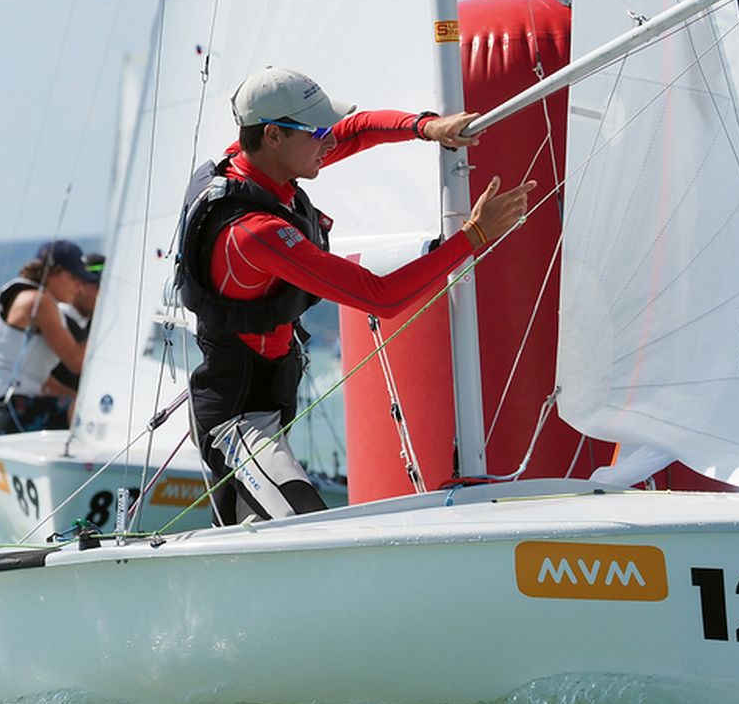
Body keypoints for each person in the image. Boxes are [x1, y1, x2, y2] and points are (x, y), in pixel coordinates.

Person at [176, 66, 534, 526]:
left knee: (246, 544)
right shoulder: (253, 234)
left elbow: (359, 128)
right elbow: (380, 297)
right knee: (307, 535)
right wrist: (474, 236)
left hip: (261, 411)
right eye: (317, 131)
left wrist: (427, 128)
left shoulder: (254, 160)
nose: (329, 140)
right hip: (238, 425)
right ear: (273, 136)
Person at [0, 240, 93, 434]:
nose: (79, 287)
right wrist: (108, 329)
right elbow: (77, 362)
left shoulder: (26, 295)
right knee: (95, 411)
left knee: (83, 401)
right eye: (74, 278)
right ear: (53, 272)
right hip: (10, 407)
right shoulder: (38, 302)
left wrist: (76, 396)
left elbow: (39, 378)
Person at [49, 252, 103, 397]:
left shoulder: (92, 324)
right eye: (97, 285)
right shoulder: (57, 319)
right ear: (79, 285)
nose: (102, 293)